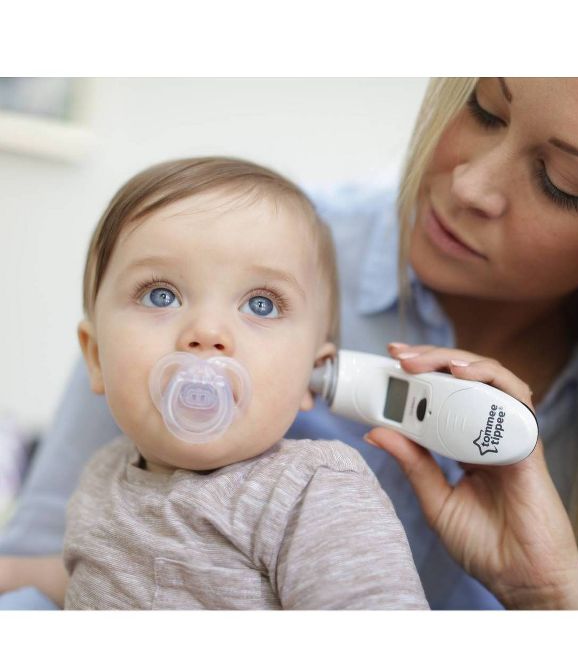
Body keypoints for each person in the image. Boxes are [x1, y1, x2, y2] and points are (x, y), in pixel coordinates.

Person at [3, 77, 578, 610]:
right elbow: (57, 572)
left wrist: (555, 599)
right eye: (485, 108)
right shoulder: (224, 242)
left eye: (561, 183)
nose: (468, 185)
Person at [0, 156, 428, 609]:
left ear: (312, 373)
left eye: (261, 305)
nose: (207, 332)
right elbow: (92, 579)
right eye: (160, 295)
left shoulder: (312, 493)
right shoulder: (102, 475)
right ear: (96, 357)